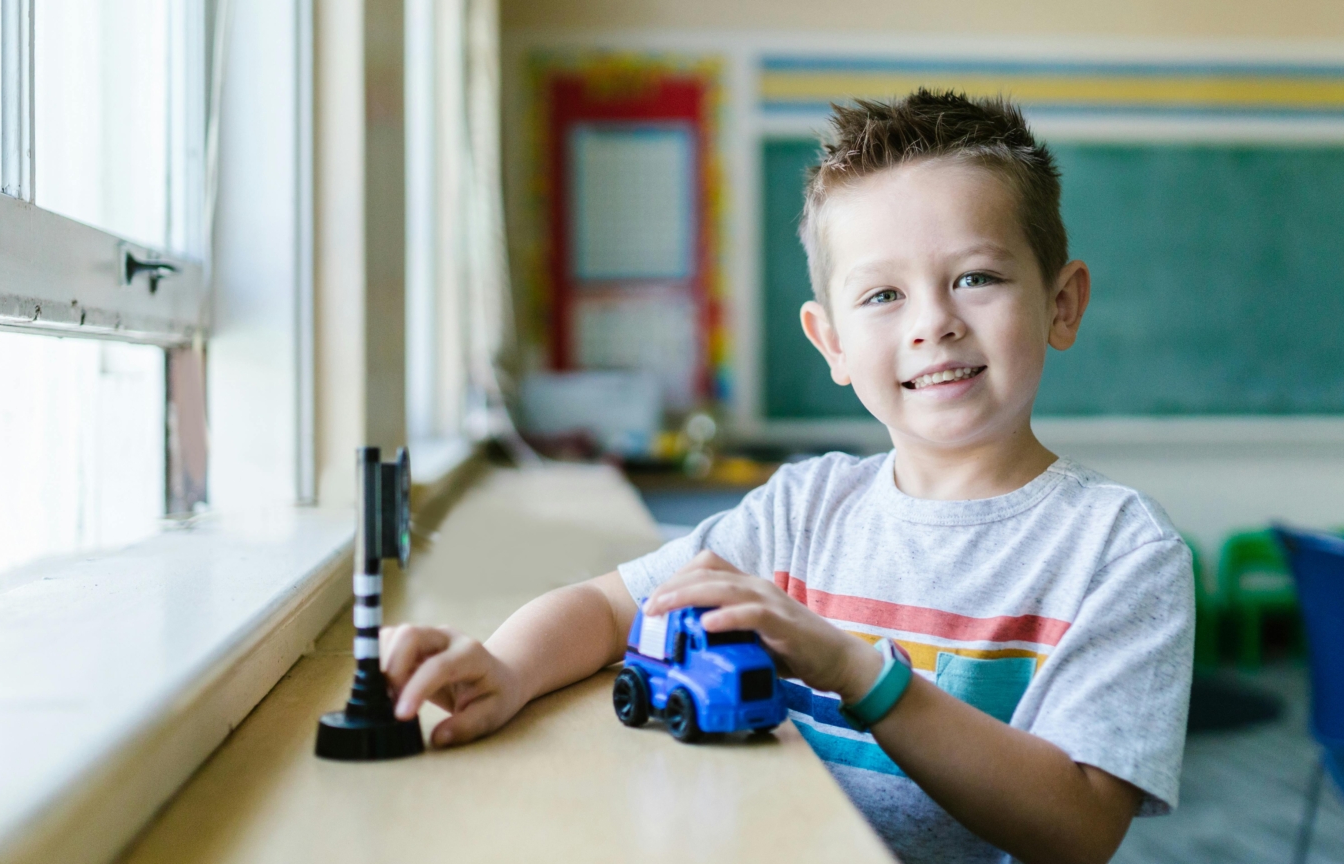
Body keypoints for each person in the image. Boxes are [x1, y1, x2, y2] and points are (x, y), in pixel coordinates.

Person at [380, 89, 1193, 864]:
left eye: (976, 278)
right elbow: (604, 607)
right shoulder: (802, 508)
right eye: (882, 294)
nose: (933, 323)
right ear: (831, 342)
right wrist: (507, 668)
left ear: (1062, 303)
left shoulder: (1122, 549)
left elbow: (1078, 832)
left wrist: (853, 672)